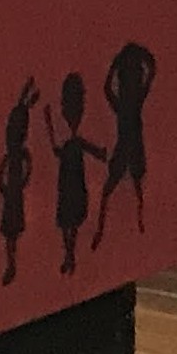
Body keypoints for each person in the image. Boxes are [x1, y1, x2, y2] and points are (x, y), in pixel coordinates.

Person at [96, 42, 158, 246]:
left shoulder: (127, 104)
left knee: (122, 189)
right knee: (124, 189)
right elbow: (108, 89)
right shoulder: (132, 103)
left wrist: (115, 65)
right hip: (128, 147)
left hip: (127, 147)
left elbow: (107, 89)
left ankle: (137, 223)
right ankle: (137, 223)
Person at [51, 71, 109, 276]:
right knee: (68, 220)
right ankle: (69, 255)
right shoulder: (72, 141)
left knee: (70, 220)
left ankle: (70, 256)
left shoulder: (74, 141)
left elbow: (87, 150)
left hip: (73, 181)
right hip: (69, 180)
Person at [0, 78, 41, 286]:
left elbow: (24, 173)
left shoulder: (18, 155)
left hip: (13, 196)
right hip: (11, 195)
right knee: (10, 233)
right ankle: (11, 263)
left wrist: (11, 185)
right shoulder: (16, 155)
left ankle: (12, 263)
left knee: (11, 232)